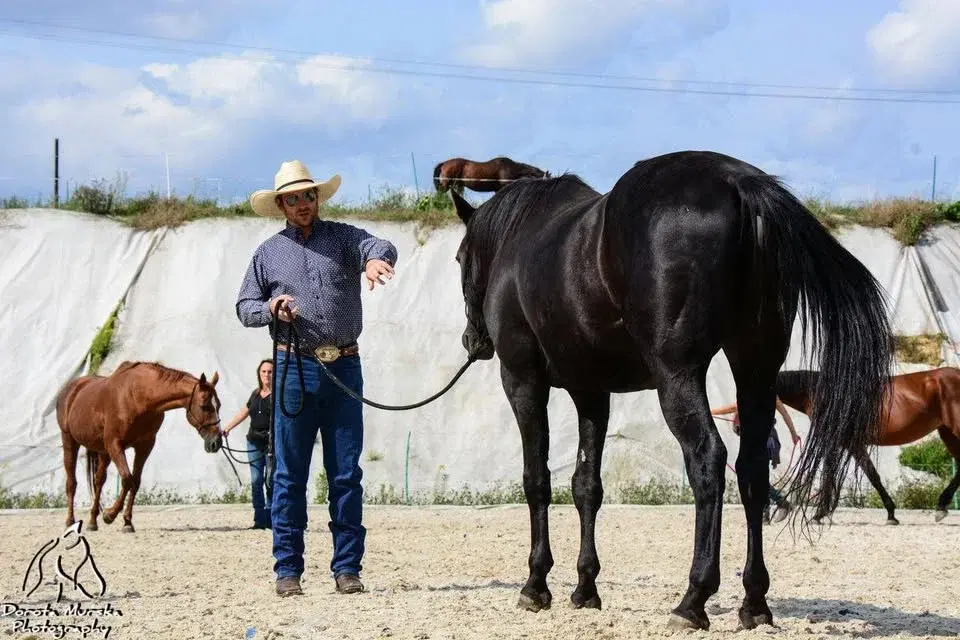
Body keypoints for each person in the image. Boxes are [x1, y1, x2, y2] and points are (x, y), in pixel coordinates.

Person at [235, 160, 398, 598]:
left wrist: (375, 261)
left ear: (317, 199)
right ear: (281, 205)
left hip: (344, 366)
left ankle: (347, 568)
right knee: (289, 475)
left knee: (346, 473)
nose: (303, 204)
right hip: (293, 367)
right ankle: (287, 569)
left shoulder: (345, 238)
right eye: (293, 198)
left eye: (308, 196)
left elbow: (379, 242)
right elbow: (245, 307)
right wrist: (271, 309)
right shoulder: (267, 254)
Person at [710, 397, 801, 524]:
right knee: (760, 476)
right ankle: (767, 513)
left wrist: (710, 412)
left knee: (756, 477)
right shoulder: (771, 394)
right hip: (763, 439)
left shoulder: (758, 391)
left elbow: (734, 407)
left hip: (761, 440)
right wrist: (793, 434)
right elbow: (785, 414)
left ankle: (780, 503)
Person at [221, 358, 274, 530]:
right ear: (259, 374)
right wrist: (227, 428)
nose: (266, 375)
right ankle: (259, 520)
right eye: (264, 371)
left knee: (271, 481)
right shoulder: (255, 394)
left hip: (271, 446)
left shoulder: (278, 396)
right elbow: (244, 412)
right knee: (256, 480)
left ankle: (271, 518)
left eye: (270, 371)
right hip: (253, 442)